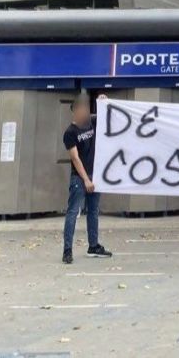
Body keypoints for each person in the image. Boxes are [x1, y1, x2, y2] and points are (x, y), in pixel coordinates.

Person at [62, 93, 112, 264]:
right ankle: (67, 250)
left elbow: (106, 114)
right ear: (75, 111)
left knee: (93, 212)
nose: (85, 112)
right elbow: (75, 158)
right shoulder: (70, 133)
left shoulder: (91, 122)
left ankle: (93, 246)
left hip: (95, 175)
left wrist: (104, 100)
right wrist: (86, 180)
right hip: (80, 178)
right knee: (73, 212)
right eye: (82, 109)